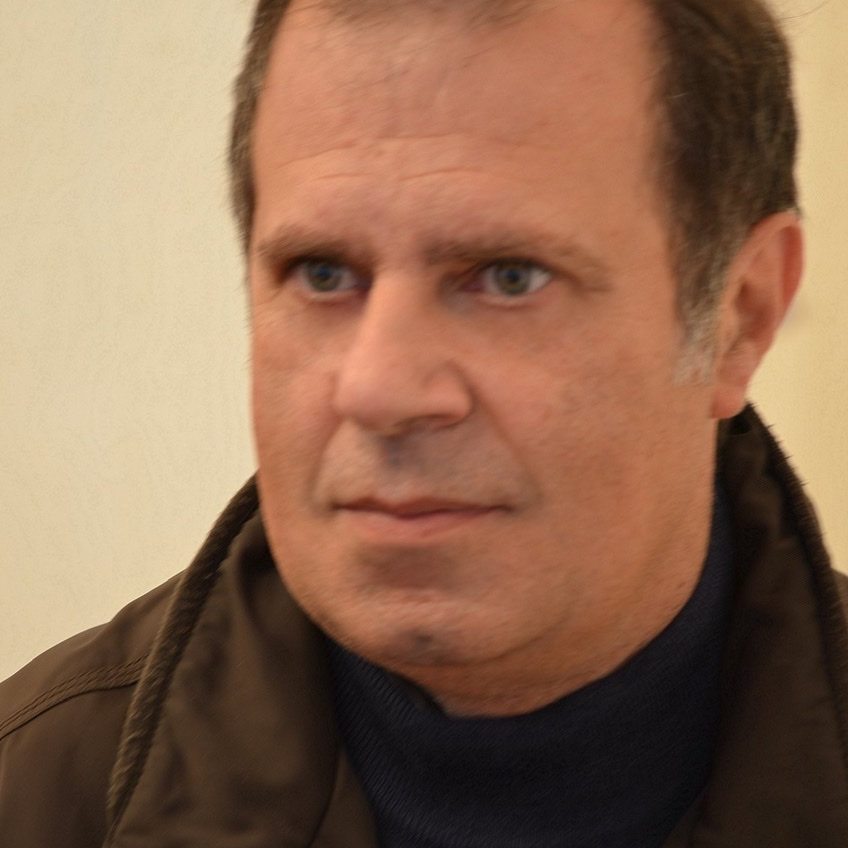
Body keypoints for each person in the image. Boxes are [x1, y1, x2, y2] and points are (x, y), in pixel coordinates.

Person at [2, 0, 846, 845]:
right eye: (322, 273)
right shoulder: (33, 794)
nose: (380, 389)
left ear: (740, 315)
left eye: (509, 277)